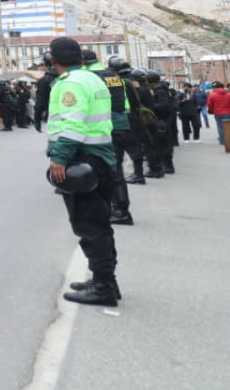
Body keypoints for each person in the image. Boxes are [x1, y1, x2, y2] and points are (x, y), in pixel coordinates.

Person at [46, 37, 120, 307]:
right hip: (101, 156)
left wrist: (59, 158)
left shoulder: (71, 83)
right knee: (99, 223)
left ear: (54, 59)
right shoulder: (92, 78)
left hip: (83, 158)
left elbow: (73, 124)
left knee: (89, 226)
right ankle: (106, 280)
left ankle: (103, 288)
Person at [83, 50, 133, 226]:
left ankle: (120, 211)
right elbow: (124, 101)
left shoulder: (91, 76)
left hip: (106, 126)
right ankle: (117, 208)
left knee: (110, 169)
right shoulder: (113, 74)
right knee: (115, 167)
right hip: (121, 123)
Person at [110, 57, 148, 187]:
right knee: (135, 147)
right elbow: (136, 102)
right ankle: (138, 174)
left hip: (123, 118)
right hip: (134, 117)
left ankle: (134, 175)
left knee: (120, 150)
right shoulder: (133, 81)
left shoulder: (120, 82)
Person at [34, 52, 58, 134]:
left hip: (54, 117)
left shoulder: (44, 80)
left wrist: (37, 120)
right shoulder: (70, 77)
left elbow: (40, 103)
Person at [207, 81, 230, 145]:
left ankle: (222, 140)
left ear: (215, 88)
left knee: (220, 126)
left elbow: (209, 104)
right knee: (228, 126)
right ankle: (228, 139)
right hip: (228, 113)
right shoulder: (228, 94)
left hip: (217, 113)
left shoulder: (212, 95)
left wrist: (212, 110)